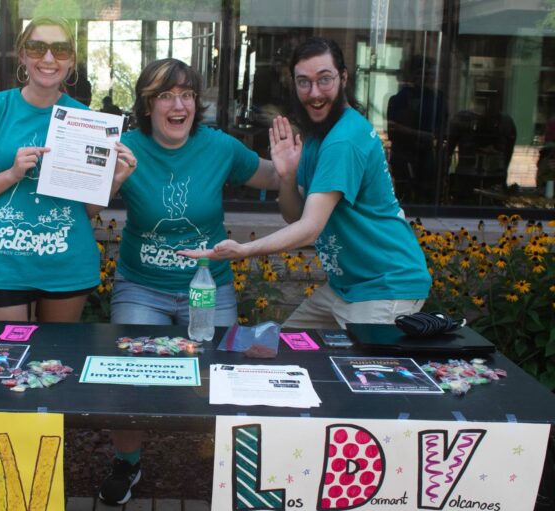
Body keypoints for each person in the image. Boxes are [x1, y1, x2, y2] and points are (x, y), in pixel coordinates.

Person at [97, 58, 286, 506]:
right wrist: (112, 178)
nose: (177, 104)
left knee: (223, 376)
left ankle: (228, 471)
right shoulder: (124, 147)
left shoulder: (218, 147)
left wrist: (294, 164)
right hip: (141, 285)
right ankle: (128, 463)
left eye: (186, 94)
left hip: (208, 285)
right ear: (147, 105)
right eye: (165, 95)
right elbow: (88, 205)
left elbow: (273, 177)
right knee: (129, 377)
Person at [180, 37, 431, 331]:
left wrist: (243, 251)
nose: (314, 93)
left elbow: (310, 228)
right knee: (287, 349)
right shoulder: (317, 134)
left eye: (324, 80)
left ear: (344, 77)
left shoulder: (343, 140)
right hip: (347, 286)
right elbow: (294, 216)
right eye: (304, 82)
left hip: (386, 287)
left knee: (360, 374)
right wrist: (287, 177)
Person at [0, 17, 116, 323]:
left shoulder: (86, 120)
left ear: (71, 61)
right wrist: (11, 174)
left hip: (67, 262)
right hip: (5, 263)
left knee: (56, 361)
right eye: (37, 48)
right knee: (8, 359)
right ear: (22, 55)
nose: (49, 58)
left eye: (60, 50)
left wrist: (116, 178)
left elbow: (86, 209)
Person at [386, 55, 444, 203]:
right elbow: (393, 131)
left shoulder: (435, 99)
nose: (424, 78)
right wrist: (422, 135)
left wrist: (410, 132)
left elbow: (438, 133)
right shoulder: (398, 99)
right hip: (404, 156)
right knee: (403, 197)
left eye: (428, 74)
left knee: (425, 197)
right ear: (412, 75)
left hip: (425, 157)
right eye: (420, 73)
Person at [447, 89, 516, 204]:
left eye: (492, 100)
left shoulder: (505, 122)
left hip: (491, 177)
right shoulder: (462, 119)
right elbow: (448, 150)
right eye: (482, 101)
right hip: (468, 177)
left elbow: (508, 152)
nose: (487, 105)